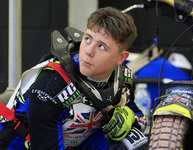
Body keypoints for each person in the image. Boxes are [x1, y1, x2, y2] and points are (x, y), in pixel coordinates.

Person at [0, 7, 147, 150]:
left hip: (71, 143)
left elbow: (141, 119)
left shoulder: (123, 78)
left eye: (101, 46)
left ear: (121, 57)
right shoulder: (52, 84)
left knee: (134, 140)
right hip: (16, 144)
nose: (88, 51)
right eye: (88, 39)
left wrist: (132, 118)